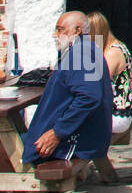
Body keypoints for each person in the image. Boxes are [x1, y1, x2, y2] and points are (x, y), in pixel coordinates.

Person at [21, 11, 112, 166]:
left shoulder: (81, 53)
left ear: (77, 31)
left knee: (7, 144)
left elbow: (89, 97)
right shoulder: (87, 48)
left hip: (69, 144)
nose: (55, 35)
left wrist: (57, 133)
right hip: (84, 139)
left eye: (60, 29)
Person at [86, 11, 132, 136]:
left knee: (73, 123)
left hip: (117, 116)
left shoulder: (113, 52)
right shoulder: (117, 47)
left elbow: (96, 82)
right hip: (117, 113)